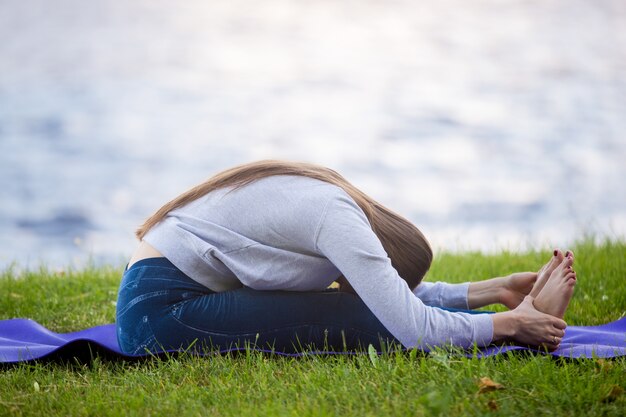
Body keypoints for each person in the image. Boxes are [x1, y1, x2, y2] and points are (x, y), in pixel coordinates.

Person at [116, 160, 577, 355]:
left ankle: (511, 306)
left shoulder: (338, 202)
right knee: (352, 318)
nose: (348, 283)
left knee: (357, 309)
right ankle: (522, 319)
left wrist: (491, 291)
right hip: (159, 316)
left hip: (155, 294)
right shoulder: (337, 222)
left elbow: (391, 296)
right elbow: (411, 326)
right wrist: (511, 324)